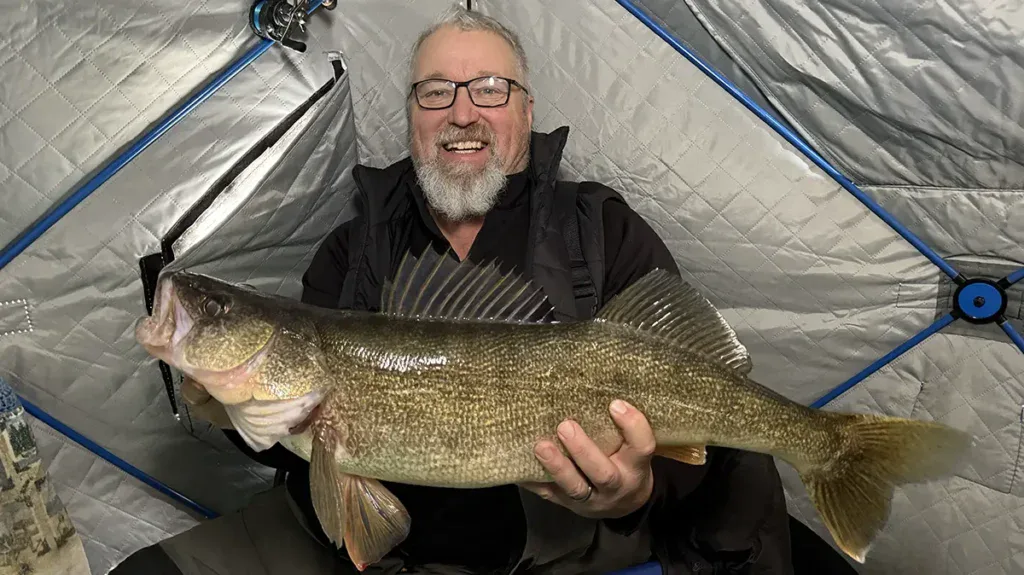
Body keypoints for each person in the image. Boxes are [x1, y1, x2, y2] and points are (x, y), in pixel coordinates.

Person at [113, 7, 794, 575]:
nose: (461, 112)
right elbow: (298, 446)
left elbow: (709, 435)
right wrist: (228, 410)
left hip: (561, 551)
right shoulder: (349, 254)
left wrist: (636, 492)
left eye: (490, 88)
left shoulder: (601, 231)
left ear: (526, 113)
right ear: (413, 117)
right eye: (435, 91)